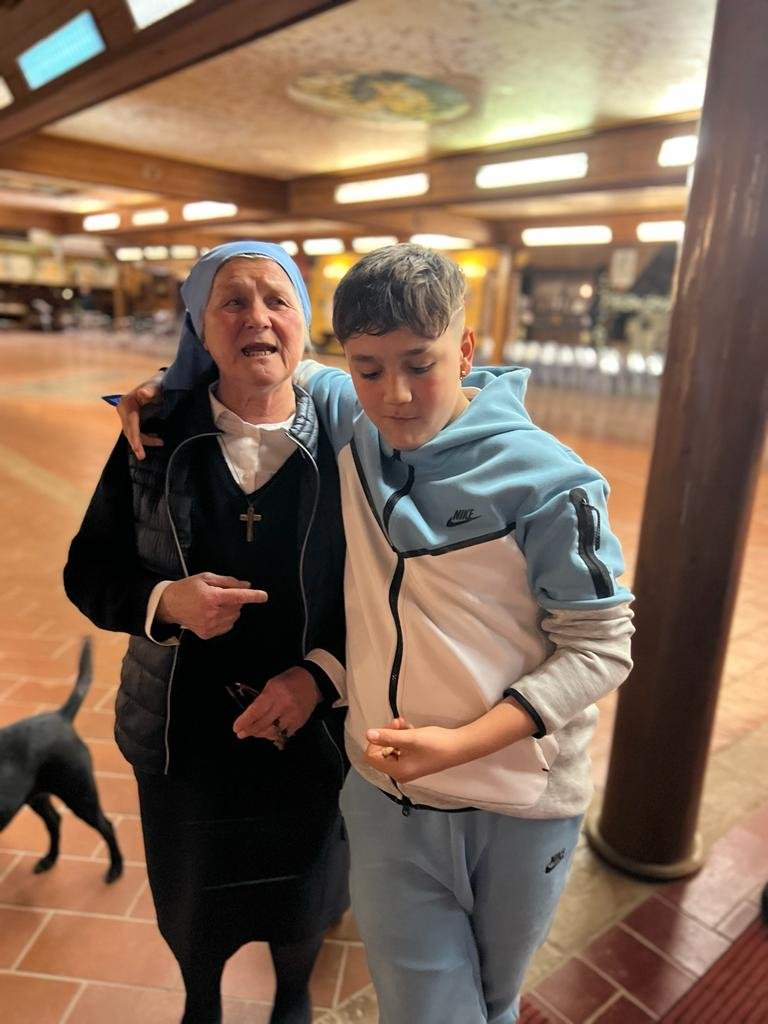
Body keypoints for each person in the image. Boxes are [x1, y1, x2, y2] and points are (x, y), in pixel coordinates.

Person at [117, 243, 634, 1024]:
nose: (394, 395)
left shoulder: (551, 481)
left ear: (465, 349)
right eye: (368, 368)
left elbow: (601, 645)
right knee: (428, 1008)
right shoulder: (350, 423)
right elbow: (260, 355)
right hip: (388, 798)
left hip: (522, 805)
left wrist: (460, 745)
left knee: (494, 1002)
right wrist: (170, 388)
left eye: (421, 365)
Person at [64, 241, 348, 1024]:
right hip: (181, 735)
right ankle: (200, 1000)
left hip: (308, 733)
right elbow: (88, 572)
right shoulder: (152, 438)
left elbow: (380, 595)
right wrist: (165, 602)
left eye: (277, 299)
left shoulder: (349, 442)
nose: (258, 316)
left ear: (303, 322)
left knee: (302, 892)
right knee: (195, 895)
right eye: (233, 300)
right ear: (198, 324)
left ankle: (293, 996)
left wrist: (320, 676)